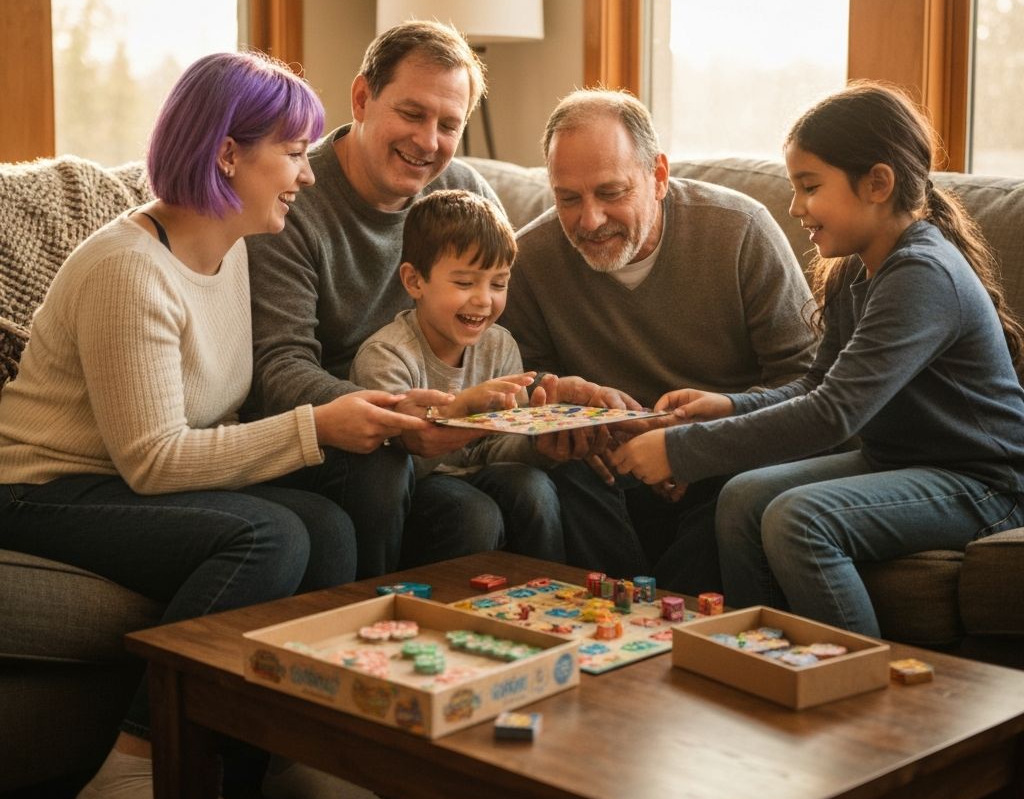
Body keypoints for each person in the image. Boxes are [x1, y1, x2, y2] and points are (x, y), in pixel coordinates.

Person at [0, 52, 430, 799]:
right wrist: (313, 429)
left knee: (327, 525)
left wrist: (376, 407)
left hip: (118, 481)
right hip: (39, 488)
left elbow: (213, 419)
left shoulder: (231, 247)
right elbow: (154, 459)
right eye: (294, 154)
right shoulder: (129, 269)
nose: (307, 175)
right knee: (266, 533)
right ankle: (134, 773)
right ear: (228, 154)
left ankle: (290, 754)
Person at [608, 82, 1024, 637]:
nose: (795, 206)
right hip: (900, 461)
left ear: (877, 183)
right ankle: (768, 659)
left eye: (809, 186)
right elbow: (816, 386)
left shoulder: (923, 273)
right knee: (742, 498)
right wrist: (727, 406)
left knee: (800, 520)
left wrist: (680, 451)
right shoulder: (858, 268)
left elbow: (834, 415)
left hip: (983, 484)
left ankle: (851, 688)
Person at [501, 88, 816, 592]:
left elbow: (809, 384)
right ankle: (614, 622)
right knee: (555, 479)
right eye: (568, 198)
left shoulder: (740, 231)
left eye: (610, 192)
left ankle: (663, 629)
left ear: (659, 177)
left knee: (740, 496)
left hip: (723, 458)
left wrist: (697, 446)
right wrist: (565, 405)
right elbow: (521, 379)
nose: (589, 220)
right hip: (605, 471)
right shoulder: (529, 258)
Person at [246, 20, 516, 574]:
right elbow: (279, 366)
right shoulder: (292, 200)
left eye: (448, 124)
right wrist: (391, 415)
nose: (427, 142)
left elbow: (505, 326)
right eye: (412, 114)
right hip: (327, 439)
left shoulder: (466, 195)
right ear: (362, 98)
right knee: (384, 470)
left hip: (431, 438)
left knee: (481, 513)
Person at [350, 189, 565, 561]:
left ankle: (548, 603)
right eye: (465, 283)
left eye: (498, 283)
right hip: (421, 485)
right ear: (415, 281)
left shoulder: (499, 346)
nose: (484, 299)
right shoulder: (386, 355)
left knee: (535, 488)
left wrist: (536, 443)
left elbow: (497, 447)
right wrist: (459, 413)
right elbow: (388, 471)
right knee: (475, 514)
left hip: (480, 474)